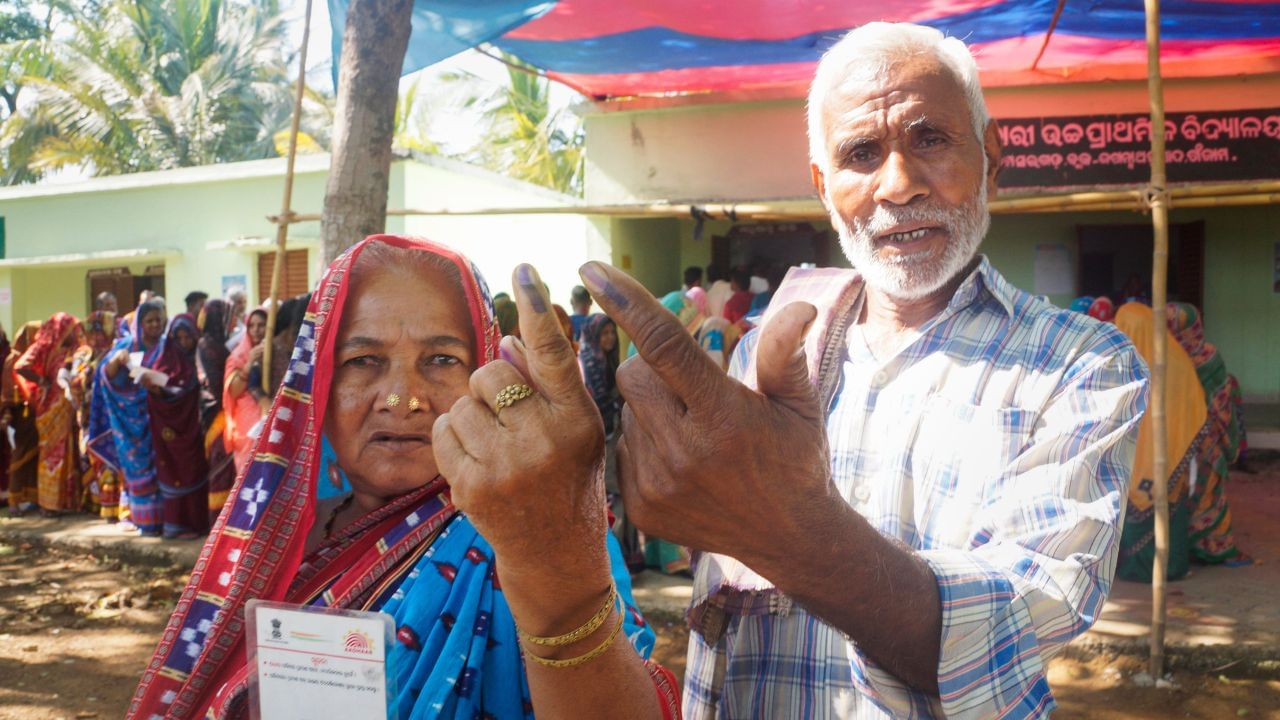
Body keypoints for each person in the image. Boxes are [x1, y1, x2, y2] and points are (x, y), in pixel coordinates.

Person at [582, 22, 1149, 717]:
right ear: (824, 185)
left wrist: (777, 525)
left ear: (993, 156)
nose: (900, 186)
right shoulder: (772, 346)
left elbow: (1018, 619)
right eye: (861, 153)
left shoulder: (1081, 364)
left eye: (930, 139)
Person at [128, 235, 678, 719]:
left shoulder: (536, 531)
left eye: (440, 360)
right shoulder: (280, 541)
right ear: (316, 382)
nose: (402, 398)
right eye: (364, 360)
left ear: (485, 371)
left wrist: (556, 578)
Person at [1113, 302, 1206, 581]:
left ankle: (1137, 568)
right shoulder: (1174, 356)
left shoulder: (1129, 360)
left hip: (1152, 450)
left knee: (1143, 505)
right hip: (1172, 450)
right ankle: (1170, 565)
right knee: (1168, 507)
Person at [1165, 302, 1250, 566]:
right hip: (1208, 440)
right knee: (1211, 492)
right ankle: (1215, 546)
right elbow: (1221, 399)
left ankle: (1181, 546)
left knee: (1180, 492)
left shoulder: (1166, 357)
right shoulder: (1209, 356)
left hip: (1178, 440)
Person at [89, 301, 169, 534]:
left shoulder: (168, 347)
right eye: (150, 320)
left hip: (161, 416)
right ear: (140, 324)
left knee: (162, 466)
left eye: (158, 319)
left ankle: (164, 518)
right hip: (129, 422)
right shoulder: (125, 345)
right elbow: (106, 376)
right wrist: (116, 361)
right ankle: (142, 519)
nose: (155, 324)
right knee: (135, 467)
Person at [146, 314, 210, 539]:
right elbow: (163, 388)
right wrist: (157, 391)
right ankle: (176, 525)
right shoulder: (165, 359)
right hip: (169, 429)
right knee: (173, 470)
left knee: (194, 470)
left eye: (188, 337)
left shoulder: (202, 357)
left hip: (194, 427)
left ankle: (197, 524)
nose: (184, 343)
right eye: (179, 338)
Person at [15, 313, 82, 515]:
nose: (75, 333)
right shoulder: (43, 347)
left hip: (67, 408)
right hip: (49, 410)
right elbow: (20, 366)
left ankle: (67, 501)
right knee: (51, 455)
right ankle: (49, 503)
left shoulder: (73, 350)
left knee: (68, 453)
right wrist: (41, 380)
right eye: (71, 329)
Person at [70, 310, 121, 518]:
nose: (96, 337)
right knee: (90, 458)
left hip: (111, 417)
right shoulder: (82, 355)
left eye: (101, 332)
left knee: (110, 459)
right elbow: (75, 383)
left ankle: (112, 504)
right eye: (92, 332)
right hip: (88, 417)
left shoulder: (117, 352)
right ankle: (94, 501)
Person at [194, 299, 236, 523]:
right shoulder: (208, 346)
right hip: (215, 413)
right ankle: (218, 521)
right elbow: (215, 383)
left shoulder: (221, 343)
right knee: (220, 466)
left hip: (225, 410)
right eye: (231, 317)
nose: (234, 322)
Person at [222, 307, 269, 474]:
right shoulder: (238, 356)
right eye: (252, 326)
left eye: (262, 325)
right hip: (247, 424)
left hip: (271, 416)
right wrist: (249, 365)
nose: (256, 330)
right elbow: (232, 392)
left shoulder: (278, 351)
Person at [3, 322, 41, 514]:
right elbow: (8, 391)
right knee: (20, 455)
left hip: (34, 416)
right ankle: (15, 499)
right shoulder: (14, 360)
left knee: (34, 457)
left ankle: (31, 497)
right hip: (21, 415)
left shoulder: (35, 359)